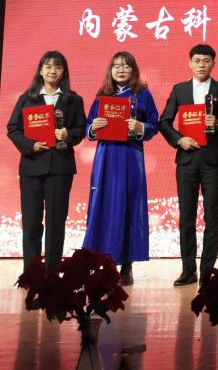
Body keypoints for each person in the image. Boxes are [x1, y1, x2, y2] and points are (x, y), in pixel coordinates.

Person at [158, 44, 218, 287]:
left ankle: (207, 271)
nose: (201, 65)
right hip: (187, 160)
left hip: (213, 160)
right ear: (190, 63)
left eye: (206, 61)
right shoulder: (179, 90)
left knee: (212, 214)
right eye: (197, 60)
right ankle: (188, 270)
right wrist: (179, 139)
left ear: (213, 63)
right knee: (187, 217)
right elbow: (164, 122)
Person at [83, 51, 160, 285]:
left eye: (126, 66)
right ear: (110, 70)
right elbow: (88, 127)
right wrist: (93, 127)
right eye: (116, 66)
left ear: (133, 70)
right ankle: (103, 263)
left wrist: (139, 127)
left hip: (130, 156)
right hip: (106, 157)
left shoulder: (142, 95)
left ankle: (126, 265)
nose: (121, 69)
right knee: (104, 205)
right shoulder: (102, 97)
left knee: (128, 204)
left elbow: (154, 124)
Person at [6, 51, 86, 271]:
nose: (53, 71)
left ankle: (51, 272)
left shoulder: (73, 100)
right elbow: (13, 129)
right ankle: (31, 272)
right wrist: (30, 145)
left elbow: (81, 129)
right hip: (32, 166)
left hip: (60, 167)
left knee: (56, 221)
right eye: (48, 66)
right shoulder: (27, 98)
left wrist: (68, 135)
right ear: (40, 70)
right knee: (31, 222)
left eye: (58, 67)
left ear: (64, 71)